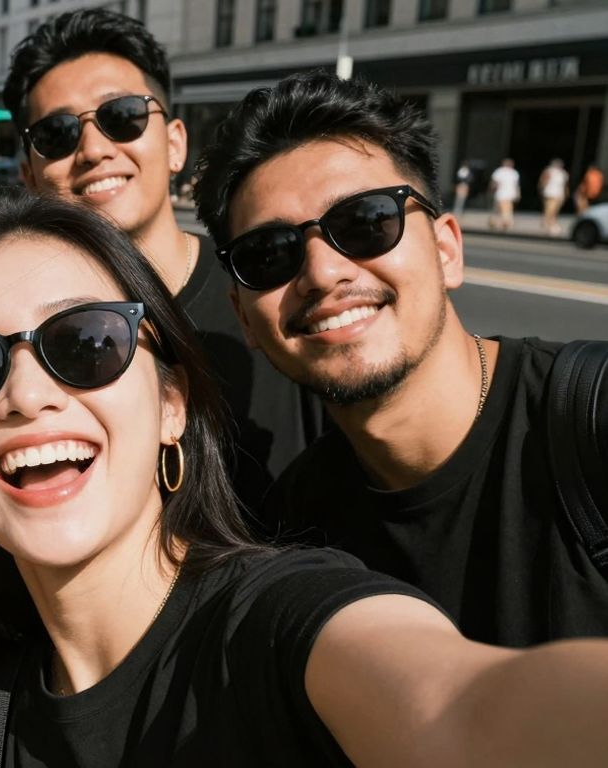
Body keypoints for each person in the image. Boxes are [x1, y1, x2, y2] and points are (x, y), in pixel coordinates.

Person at [0, 193, 608, 767]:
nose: (25, 395)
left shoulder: (279, 624)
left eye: (85, 343)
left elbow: (462, 705)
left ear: (172, 405)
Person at [193, 71, 608, 645]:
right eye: (269, 254)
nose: (322, 272)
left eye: (364, 222)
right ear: (246, 320)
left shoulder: (593, 423)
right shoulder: (298, 519)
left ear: (446, 250)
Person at [1, 9, 319, 514]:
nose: (93, 149)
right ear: (30, 175)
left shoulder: (269, 291)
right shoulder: (19, 340)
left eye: (121, 116)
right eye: (57, 134)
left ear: (175, 144)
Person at [539, 158, 569, 235]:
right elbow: (544, 181)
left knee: (554, 209)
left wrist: (566, 193)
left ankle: (548, 222)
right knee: (550, 208)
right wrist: (542, 189)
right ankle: (549, 223)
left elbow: (565, 185)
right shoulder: (549, 171)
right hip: (550, 192)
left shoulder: (563, 173)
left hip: (559, 193)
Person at [489, 157, 519, 231]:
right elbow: (516, 185)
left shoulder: (499, 171)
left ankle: (502, 222)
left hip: (501, 194)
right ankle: (500, 222)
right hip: (508, 194)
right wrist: (517, 193)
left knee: (502, 209)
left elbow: (494, 183)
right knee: (505, 209)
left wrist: (491, 190)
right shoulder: (514, 173)